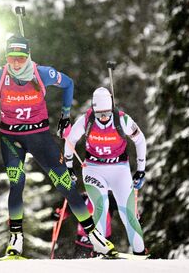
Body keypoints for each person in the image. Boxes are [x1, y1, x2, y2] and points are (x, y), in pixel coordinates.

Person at [0, 35, 117, 258]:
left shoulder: (42, 73)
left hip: (39, 137)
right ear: (6, 57)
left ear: (27, 56)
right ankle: (16, 239)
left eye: (20, 58)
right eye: (12, 57)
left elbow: (68, 83)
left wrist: (65, 117)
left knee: (65, 184)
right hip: (11, 139)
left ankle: (94, 236)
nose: (16, 63)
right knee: (16, 183)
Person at [64, 87, 148, 257]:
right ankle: (101, 252)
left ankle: (140, 253)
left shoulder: (122, 120)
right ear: (94, 110)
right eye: (99, 114)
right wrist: (69, 167)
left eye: (107, 114)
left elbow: (141, 141)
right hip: (93, 169)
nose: (103, 118)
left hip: (119, 169)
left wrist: (141, 170)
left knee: (128, 213)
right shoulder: (86, 120)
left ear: (112, 109)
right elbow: (70, 140)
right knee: (101, 207)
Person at [51, 191, 117, 258]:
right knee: (81, 262)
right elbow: (68, 209)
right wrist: (59, 214)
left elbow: (123, 207)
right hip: (84, 240)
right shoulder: (83, 198)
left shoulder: (109, 199)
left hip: (103, 239)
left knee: (100, 264)